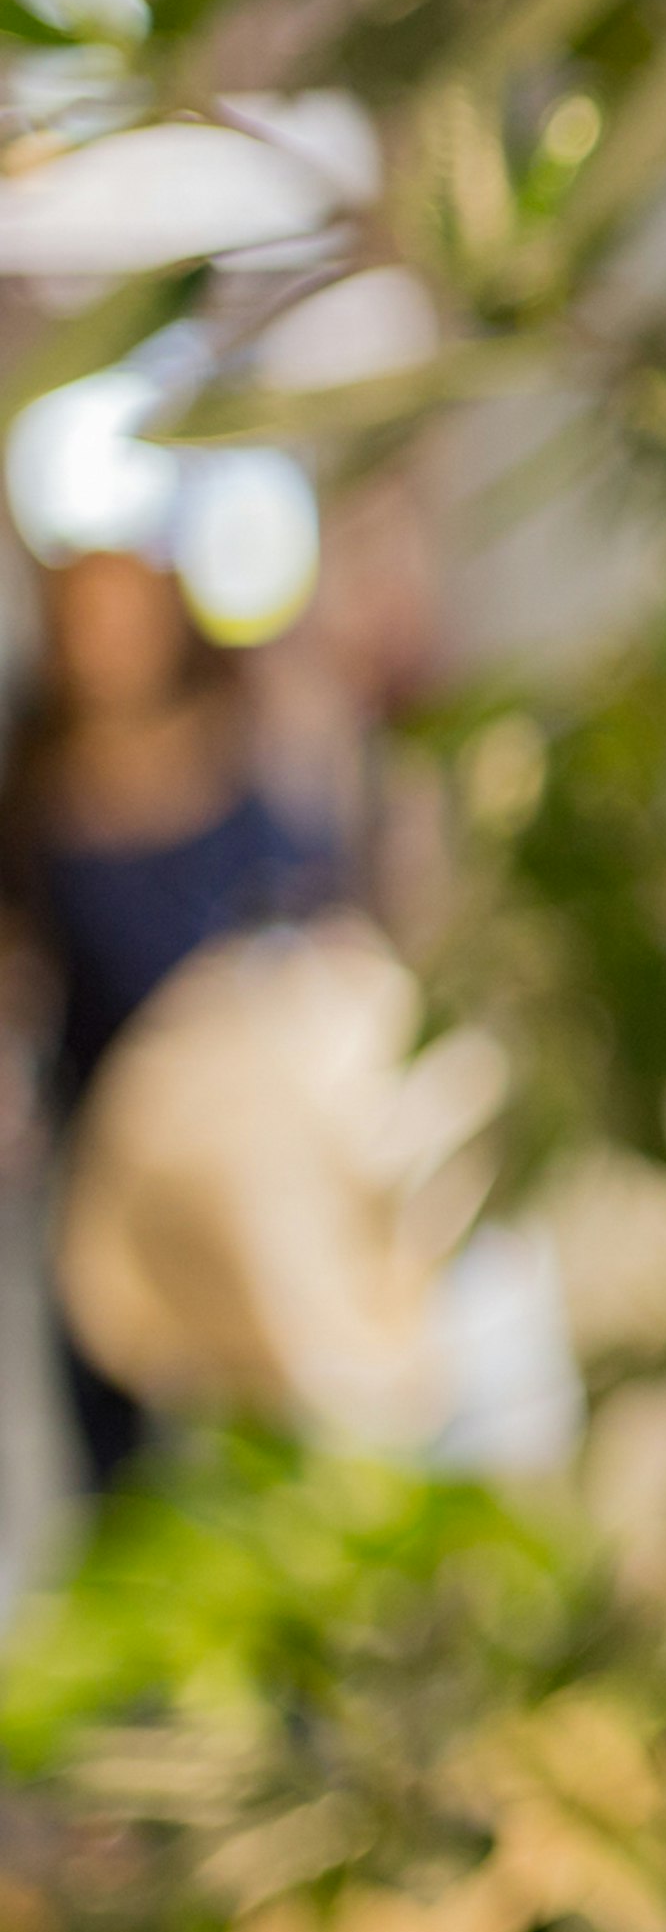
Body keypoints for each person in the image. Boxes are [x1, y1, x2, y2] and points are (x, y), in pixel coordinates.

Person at [0, 547, 336, 1487]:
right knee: (115, 1405)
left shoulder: (242, 743)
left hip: (241, 1141)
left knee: (265, 1385)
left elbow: (315, 908)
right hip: (102, 1138)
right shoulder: (37, 783)